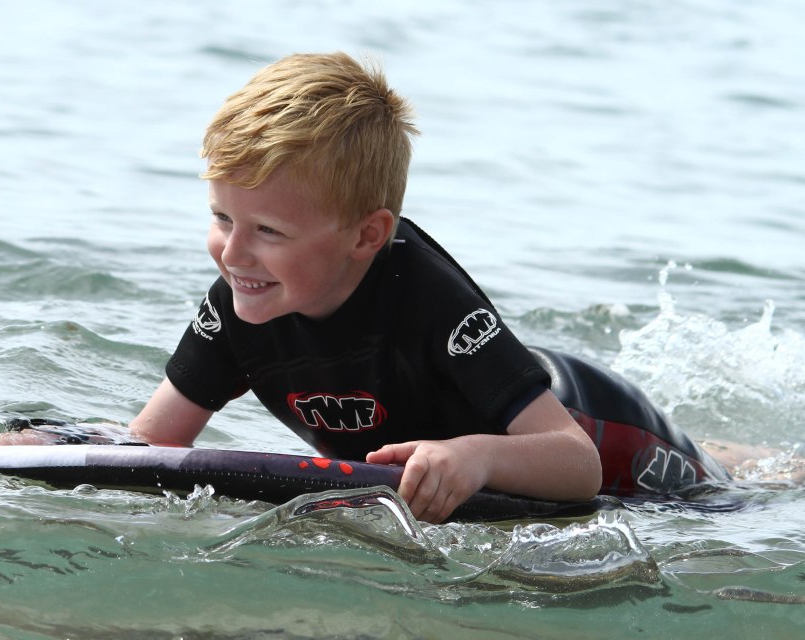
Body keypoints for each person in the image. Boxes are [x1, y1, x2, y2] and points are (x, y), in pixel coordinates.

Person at [128, 52, 606, 523]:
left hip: (600, 427)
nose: (232, 255)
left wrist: (475, 457)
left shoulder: (427, 300)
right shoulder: (241, 299)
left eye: (268, 230)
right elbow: (152, 444)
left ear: (366, 235)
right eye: (223, 218)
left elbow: (582, 466)